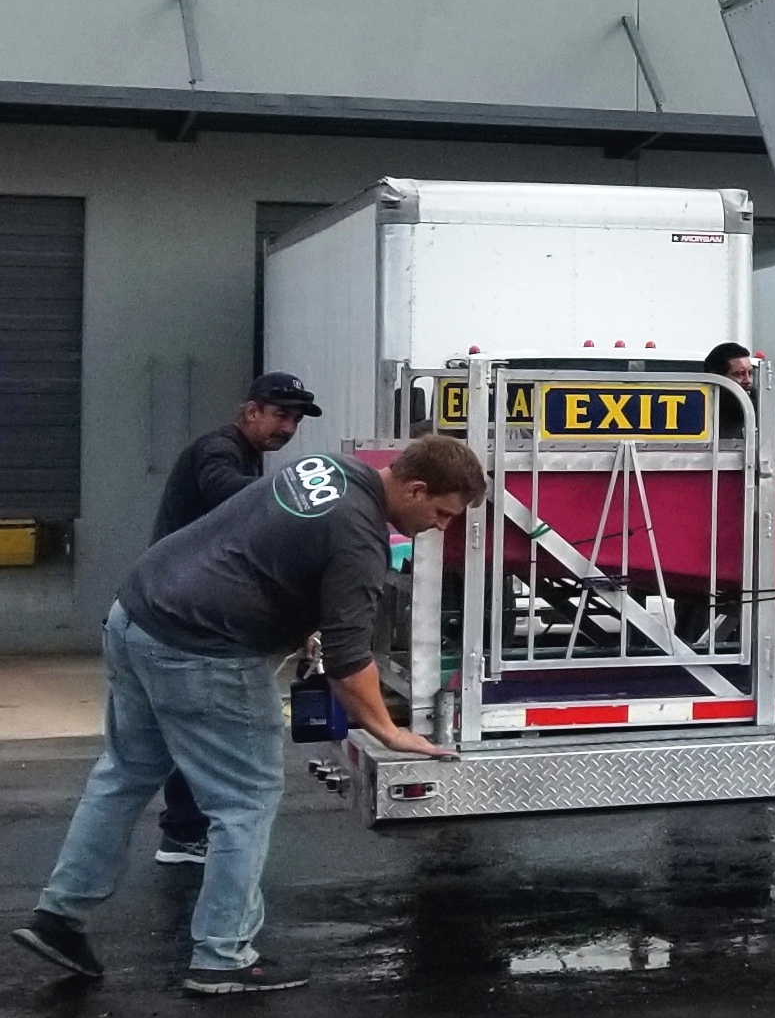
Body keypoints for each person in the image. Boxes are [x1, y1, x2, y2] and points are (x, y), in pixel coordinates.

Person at [11, 435, 482, 994]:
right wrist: (389, 730)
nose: (440, 527)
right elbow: (351, 663)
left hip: (135, 613)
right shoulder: (361, 538)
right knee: (245, 800)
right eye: (441, 513)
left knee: (123, 774)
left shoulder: (325, 468)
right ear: (416, 487)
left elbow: (274, 548)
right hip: (201, 649)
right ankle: (222, 957)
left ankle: (59, 916)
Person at [139, 373, 325, 869]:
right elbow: (227, 491)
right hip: (183, 612)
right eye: (279, 415)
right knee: (201, 729)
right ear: (250, 412)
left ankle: (180, 833)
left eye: (295, 419)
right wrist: (294, 497)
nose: (287, 427)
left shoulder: (245, 453)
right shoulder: (218, 451)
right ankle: (184, 834)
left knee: (154, 747)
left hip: (169, 606)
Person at [701, 341, 755, 439]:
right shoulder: (699, 409)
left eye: (750, 373)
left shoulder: (761, 404)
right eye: (739, 374)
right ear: (717, 378)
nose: (748, 380)